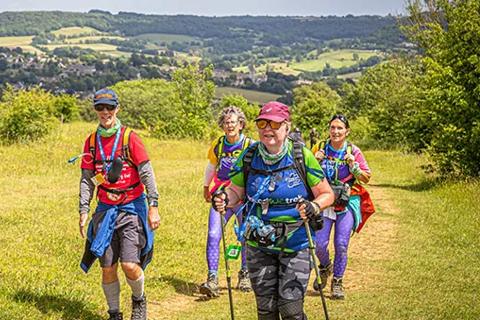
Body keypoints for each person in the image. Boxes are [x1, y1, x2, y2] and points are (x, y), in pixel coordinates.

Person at [213, 101, 334, 320]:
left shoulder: (301, 155)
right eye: (262, 123)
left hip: (296, 242)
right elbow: (235, 192)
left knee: (290, 308)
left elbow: (327, 194)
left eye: (274, 124)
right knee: (266, 310)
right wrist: (223, 198)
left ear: (287, 127)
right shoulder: (249, 155)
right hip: (259, 243)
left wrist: (313, 206)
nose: (267, 129)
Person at [78, 88, 160, 320]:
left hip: (131, 208)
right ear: (95, 110)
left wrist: (153, 206)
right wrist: (84, 209)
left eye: (109, 107)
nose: (105, 112)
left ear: (117, 109)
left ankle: (139, 300)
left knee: (130, 265)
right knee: (107, 267)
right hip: (105, 210)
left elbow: (147, 173)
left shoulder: (129, 138)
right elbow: (87, 179)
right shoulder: (91, 142)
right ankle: (114, 313)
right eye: (100, 108)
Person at [311, 114, 374, 300]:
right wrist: (315, 160)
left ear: (347, 131)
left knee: (341, 244)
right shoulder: (320, 147)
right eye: (332, 128)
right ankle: (325, 267)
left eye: (340, 128)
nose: (335, 132)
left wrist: (353, 166)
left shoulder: (353, 151)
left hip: (347, 202)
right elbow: (305, 171)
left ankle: (337, 281)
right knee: (319, 244)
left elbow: (366, 178)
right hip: (325, 200)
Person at [200, 106, 254, 297]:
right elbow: (211, 166)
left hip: (244, 197)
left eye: (233, 122)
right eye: (226, 122)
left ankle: (245, 273)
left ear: (241, 124)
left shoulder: (250, 145)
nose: (229, 125)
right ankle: (212, 278)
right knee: (214, 234)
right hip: (220, 194)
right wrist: (206, 187)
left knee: (245, 236)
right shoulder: (219, 144)